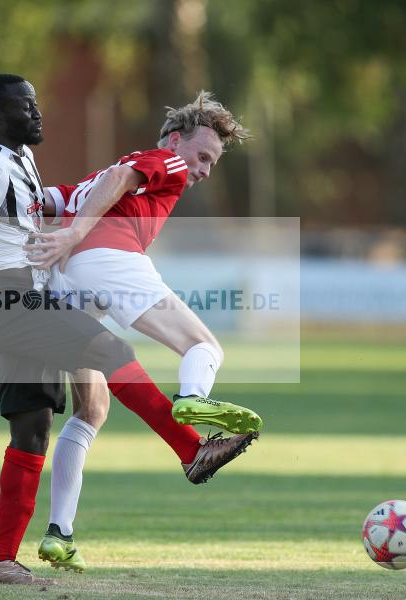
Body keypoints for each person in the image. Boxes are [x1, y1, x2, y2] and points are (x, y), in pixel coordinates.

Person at [0, 74, 257, 585]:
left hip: (20, 300)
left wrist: (75, 217)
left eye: (35, 103)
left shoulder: (22, 160)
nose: (37, 112)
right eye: (26, 106)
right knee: (112, 352)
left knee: (33, 430)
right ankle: (191, 449)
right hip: (9, 298)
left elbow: (59, 200)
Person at [30, 91, 259, 572]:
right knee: (204, 346)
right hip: (107, 260)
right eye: (203, 156)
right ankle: (192, 400)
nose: (204, 170)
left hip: (65, 282)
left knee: (91, 410)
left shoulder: (98, 178)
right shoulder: (164, 161)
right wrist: (74, 234)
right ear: (175, 140)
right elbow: (119, 180)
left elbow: (46, 198)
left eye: (212, 163)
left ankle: (58, 533)